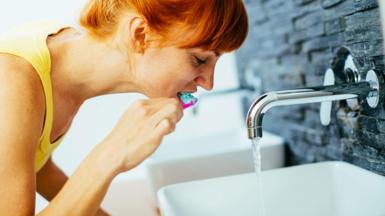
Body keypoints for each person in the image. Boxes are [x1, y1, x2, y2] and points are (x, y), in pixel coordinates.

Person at [0, 0, 248, 215]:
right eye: (200, 59)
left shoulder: (56, 58)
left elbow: (36, 163)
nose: (209, 82)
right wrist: (111, 154)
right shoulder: (12, 81)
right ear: (140, 34)